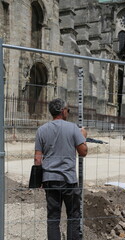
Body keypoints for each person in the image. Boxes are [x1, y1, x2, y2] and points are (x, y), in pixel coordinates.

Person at [34, 98, 88, 240]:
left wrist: (39, 180)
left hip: (50, 180)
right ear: (63, 111)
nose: (68, 113)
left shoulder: (41, 130)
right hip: (68, 180)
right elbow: (83, 152)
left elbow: (37, 159)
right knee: (73, 216)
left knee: (53, 218)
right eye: (68, 110)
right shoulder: (73, 128)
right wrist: (83, 137)